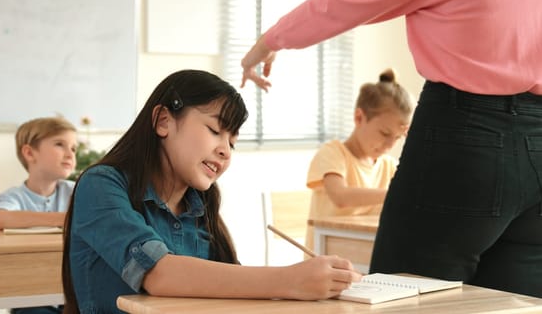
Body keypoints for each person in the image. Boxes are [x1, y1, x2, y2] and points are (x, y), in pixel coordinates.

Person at [240, 0, 542, 298]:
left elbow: (348, 1)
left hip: (467, 133)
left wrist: (270, 41)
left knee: (404, 296)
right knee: (513, 303)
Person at [61, 69, 362, 314]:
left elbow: (232, 292)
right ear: (163, 121)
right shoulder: (101, 185)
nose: (225, 151)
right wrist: (292, 279)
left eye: (232, 142)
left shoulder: (199, 206)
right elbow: (159, 274)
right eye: (215, 131)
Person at [304, 69, 413, 253]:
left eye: (397, 137)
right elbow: (341, 196)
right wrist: (395, 195)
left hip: (365, 256)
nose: (389, 144)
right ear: (359, 117)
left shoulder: (388, 165)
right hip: (324, 261)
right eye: (385, 133)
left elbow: (411, 196)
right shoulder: (332, 153)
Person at [0, 116, 77, 314]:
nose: (70, 154)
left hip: (70, 296)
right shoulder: (14, 196)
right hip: (30, 299)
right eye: (59, 144)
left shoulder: (76, 191)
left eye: (73, 148)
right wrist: (61, 219)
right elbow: (0, 219)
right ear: (29, 153)